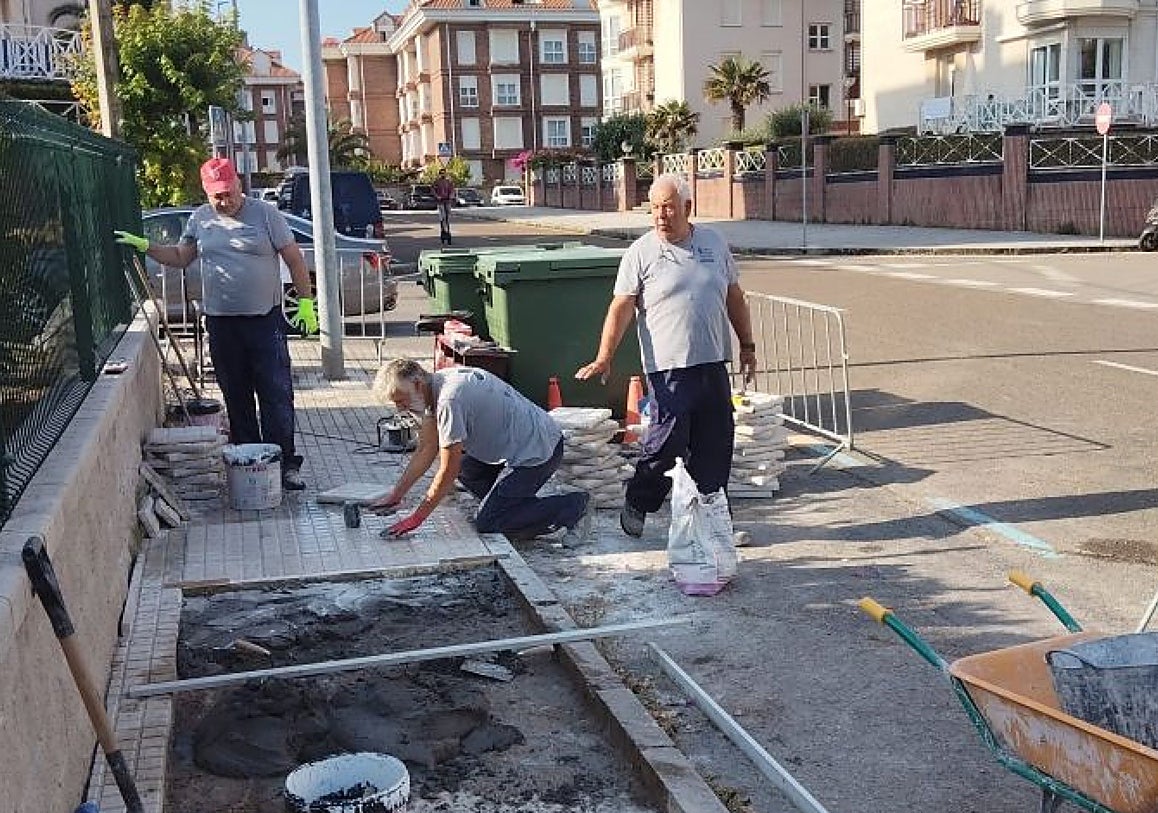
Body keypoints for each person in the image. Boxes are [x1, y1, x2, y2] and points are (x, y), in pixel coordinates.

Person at [114, 157, 318, 491]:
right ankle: (250, 459)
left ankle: (285, 465)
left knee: (276, 395)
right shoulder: (201, 219)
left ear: (238, 184)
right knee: (236, 396)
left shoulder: (265, 214)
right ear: (207, 193)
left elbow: (294, 259)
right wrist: (146, 247)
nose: (224, 201)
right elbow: (181, 257)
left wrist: (306, 303)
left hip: (264, 322)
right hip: (222, 325)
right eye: (216, 196)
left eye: (228, 193)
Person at [576, 173, 756, 537]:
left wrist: (747, 345)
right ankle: (640, 500)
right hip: (668, 370)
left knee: (715, 447)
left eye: (668, 207)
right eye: (655, 208)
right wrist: (604, 355)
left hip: (712, 363)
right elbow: (621, 308)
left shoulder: (714, 243)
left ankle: (715, 524)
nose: (661, 215)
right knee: (665, 445)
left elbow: (734, 297)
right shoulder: (641, 252)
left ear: (688, 208)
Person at [368, 358, 593, 546]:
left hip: (538, 451)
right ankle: (514, 506)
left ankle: (573, 506)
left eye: (401, 400)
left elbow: (448, 469)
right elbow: (427, 448)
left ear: (417, 384)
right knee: (467, 468)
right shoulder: (436, 385)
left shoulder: (449, 400)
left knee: (489, 524)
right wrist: (396, 495)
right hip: (521, 443)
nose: (400, 408)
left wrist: (417, 518)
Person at [432, 168, 454, 244]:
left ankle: (447, 231)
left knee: (448, 217)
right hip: (440, 202)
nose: (443, 175)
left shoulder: (449, 182)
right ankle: (444, 230)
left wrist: (451, 196)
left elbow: (452, 190)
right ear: (439, 174)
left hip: (447, 202)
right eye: (441, 173)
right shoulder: (436, 182)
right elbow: (433, 190)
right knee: (443, 217)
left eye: (444, 173)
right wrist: (437, 196)